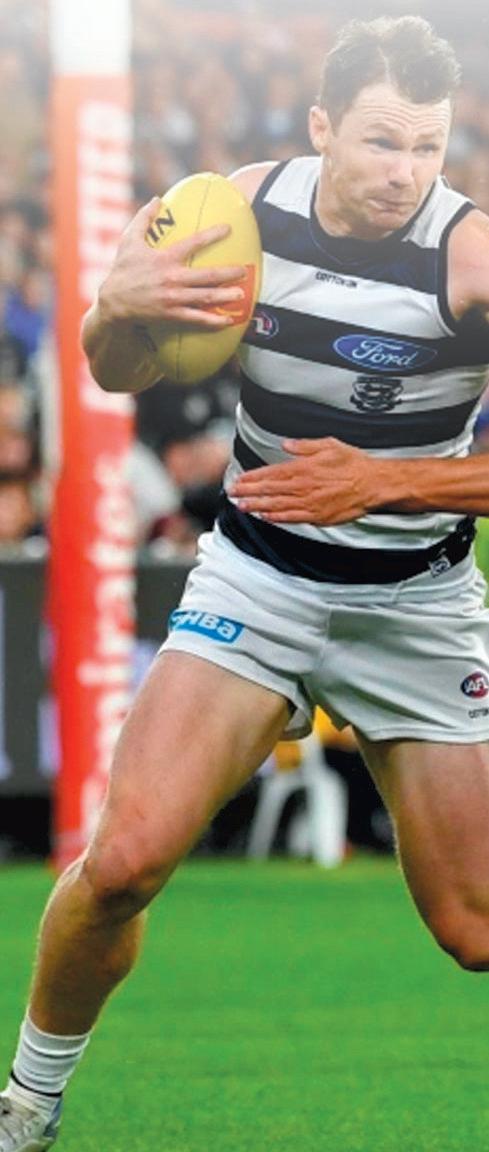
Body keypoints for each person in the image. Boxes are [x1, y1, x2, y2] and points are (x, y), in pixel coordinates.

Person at [2, 14, 489, 1150]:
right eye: (381, 142)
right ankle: (25, 1105)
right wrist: (114, 309)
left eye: (427, 146)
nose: (406, 172)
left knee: (472, 928)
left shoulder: (467, 260)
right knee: (122, 863)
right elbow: (114, 368)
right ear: (320, 126)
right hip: (258, 579)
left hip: (416, 602)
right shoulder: (231, 216)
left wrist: (384, 480)